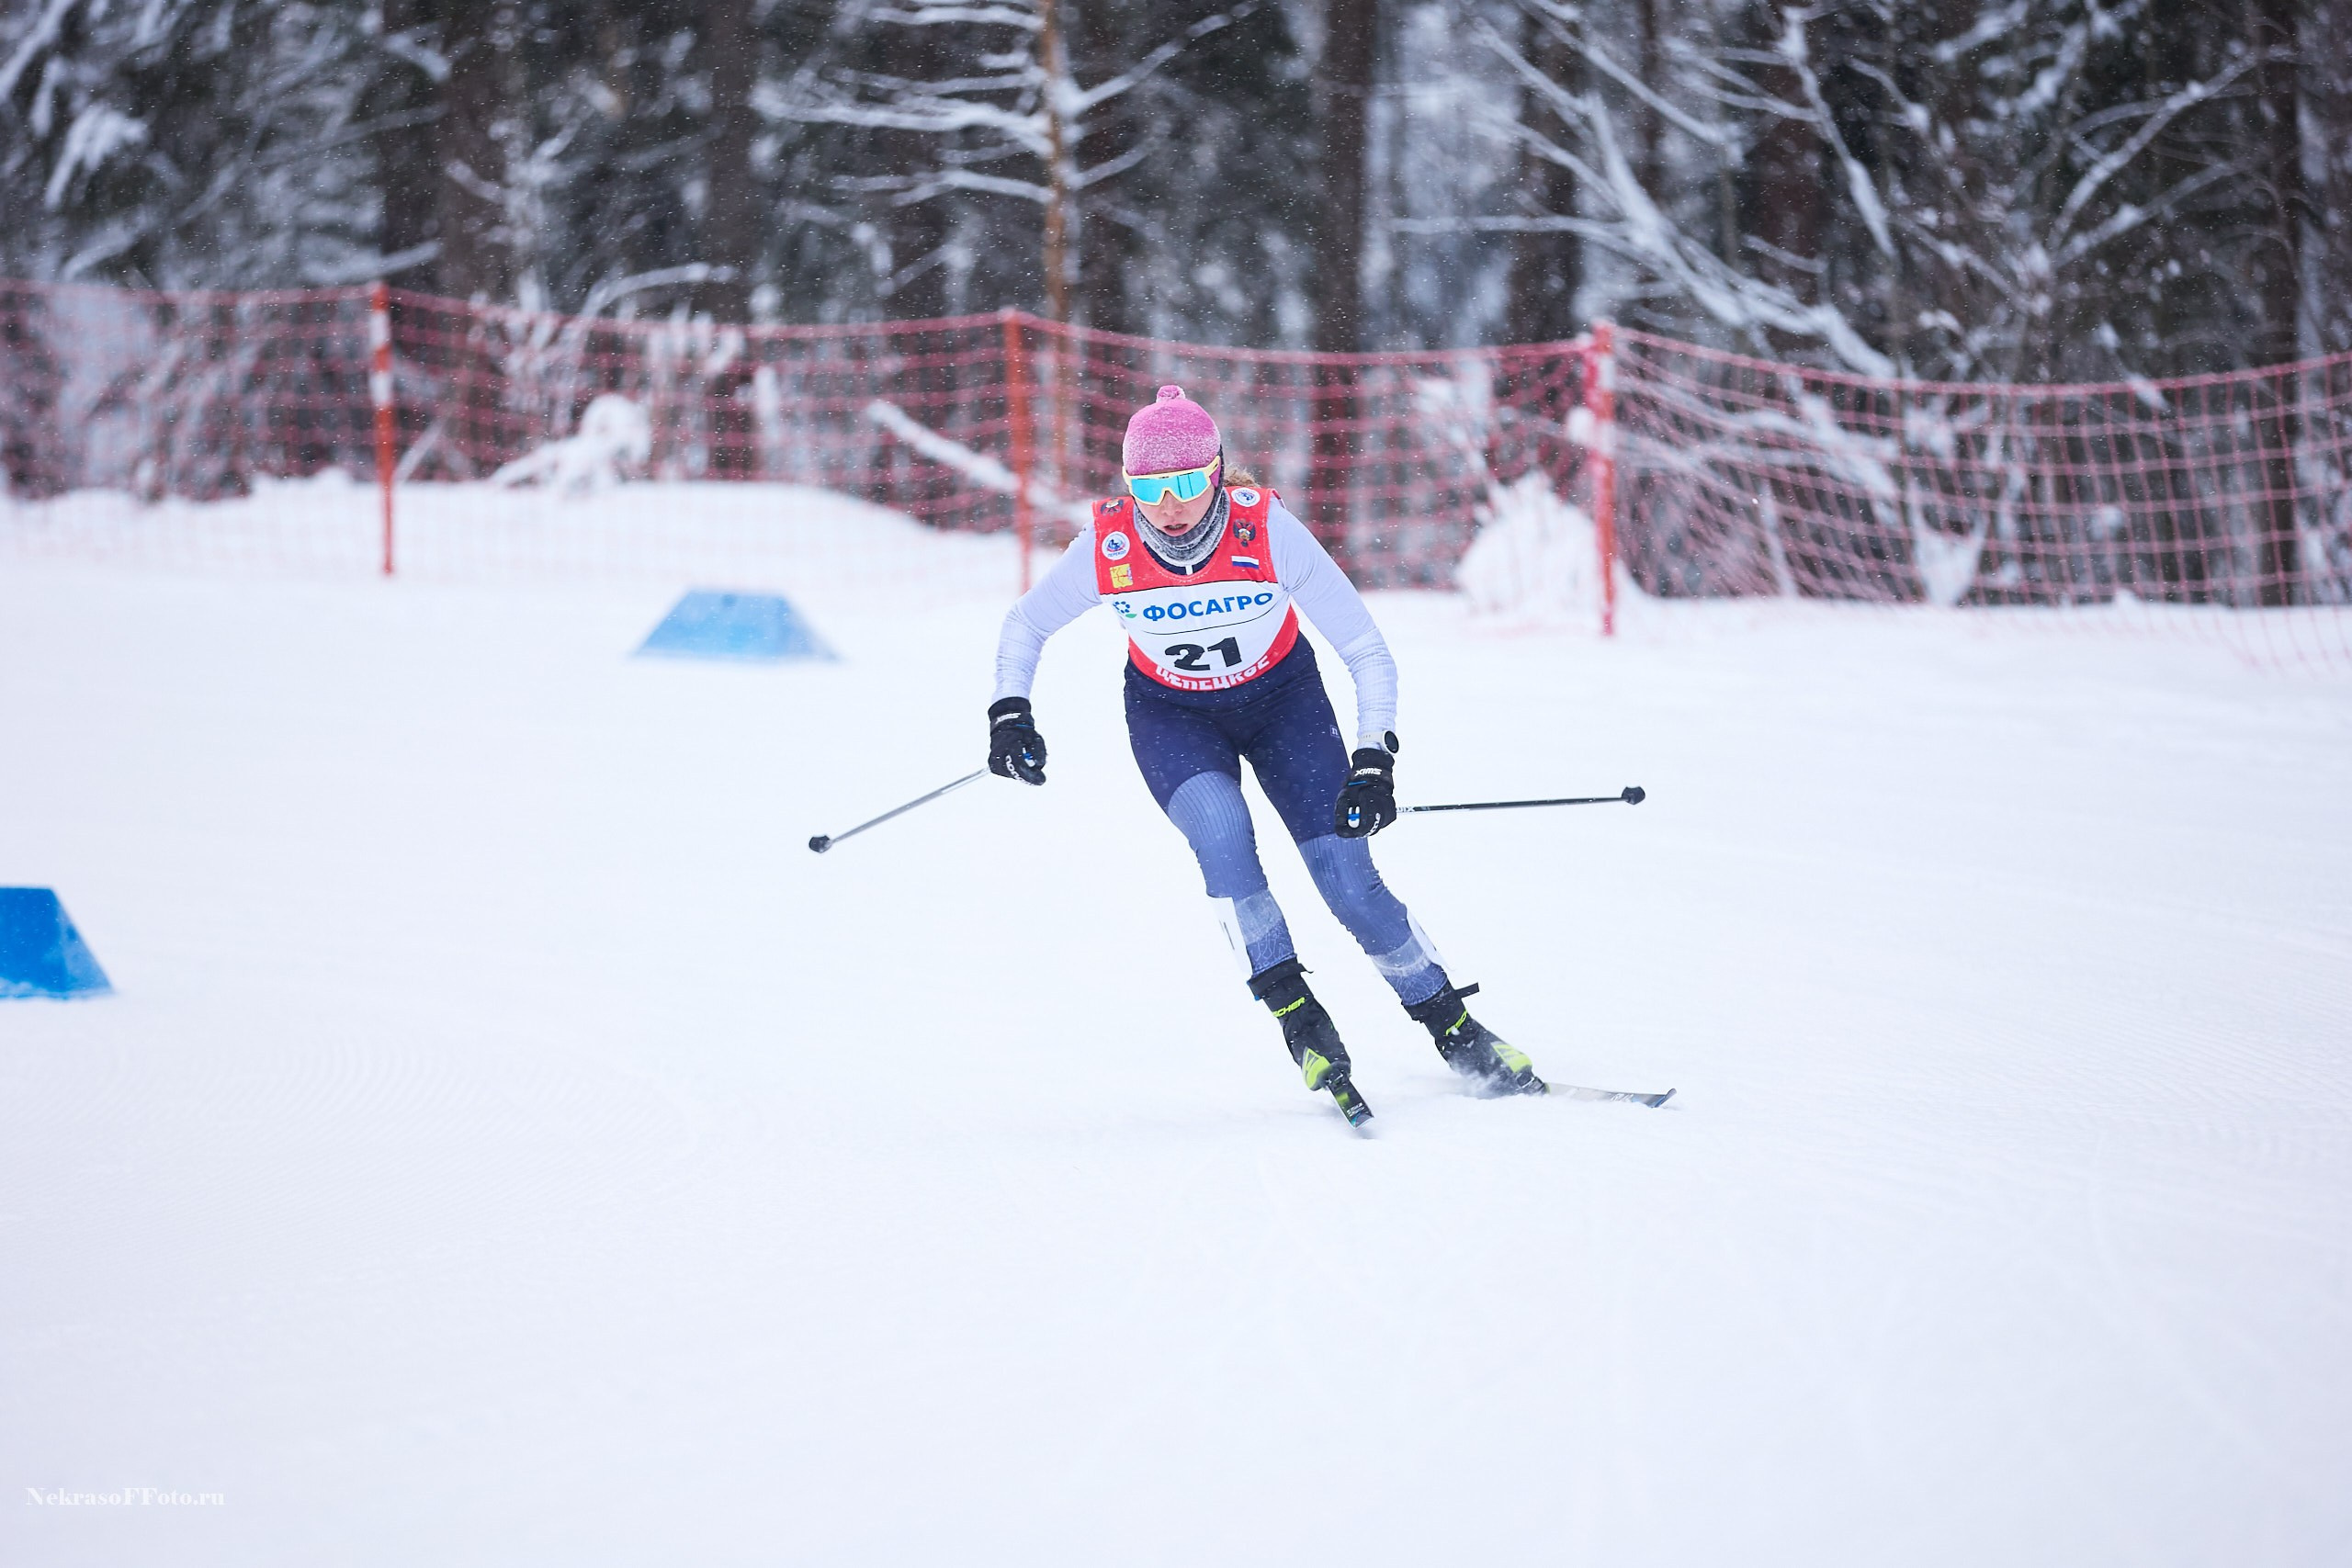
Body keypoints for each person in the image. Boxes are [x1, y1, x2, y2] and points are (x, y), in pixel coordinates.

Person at [984, 385, 1544, 1123]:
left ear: (1217, 472)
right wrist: (1010, 712)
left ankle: (1453, 1026)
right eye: (1149, 489)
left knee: (1350, 883)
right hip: (1173, 717)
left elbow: (1366, 649)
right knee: (1222, 834)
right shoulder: (1108, 548)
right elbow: (1025, 625)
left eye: (1188, 484)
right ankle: (1298, 1017)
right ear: (1128, 485)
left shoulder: (1268, 531)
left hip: (1285, 707)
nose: (1170, 507)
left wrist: (1374, 760)